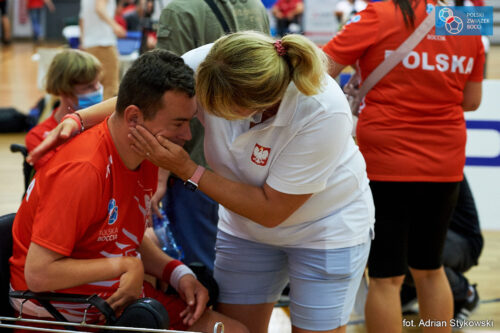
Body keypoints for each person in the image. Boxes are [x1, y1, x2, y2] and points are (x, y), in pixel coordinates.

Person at [36, 31, 375, 333]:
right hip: (244, 227)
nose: (189, 132)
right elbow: (144, 99)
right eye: (184, 120)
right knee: (234, 328)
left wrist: (186, 170)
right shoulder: (216, 62)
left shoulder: (323, 110)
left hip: (326, 228)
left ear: (253, 108)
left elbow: (273, 210)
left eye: (199, 116)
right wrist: (78, 119)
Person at [10, 49, 247, 333]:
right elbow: (38, 274)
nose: (186, 136)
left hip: (112, 300)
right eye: (179, 123)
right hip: (62, 313)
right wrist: (125, 266)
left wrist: (178, 274)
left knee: (234, 330)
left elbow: (123, 236)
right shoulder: (83, 171)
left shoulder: (145, 153)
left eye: (189, 122)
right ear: (133, 118)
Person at [322, 0, 485, 332]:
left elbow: (319, 71)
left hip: (385, 160)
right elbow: (472, 101)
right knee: (430, 268)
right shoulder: (467, 20)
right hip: (444, 159)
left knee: (386, 277)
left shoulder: (377, 14)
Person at [153, 0, 270, 271]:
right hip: (248, 162)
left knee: (199, 272)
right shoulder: (255, 6)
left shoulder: (181, 10)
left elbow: (166, 94)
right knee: (236, 268)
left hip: (194, 160)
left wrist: (159, 174)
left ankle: (213, 315)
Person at [401, 176, 483, 322]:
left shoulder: (432, 163)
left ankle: (465, 293)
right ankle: (414, 289)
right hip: (437, 236)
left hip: (463, 241)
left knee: (414, 253)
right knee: (392, 248)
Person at [25, 49, 103, 171]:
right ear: (63, 90)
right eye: (88, 87)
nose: (98, 90)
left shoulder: (106, 119)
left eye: (98, 82)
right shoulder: (39, 137)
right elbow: (57, 179)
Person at [79, 0, 126, 100]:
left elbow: (82, 19)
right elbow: (99, 8)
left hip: (90, 46)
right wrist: (115, 26)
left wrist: (83, 42)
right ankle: (105, 115)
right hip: (104, 45)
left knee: (92, 88)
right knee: (110, 88)